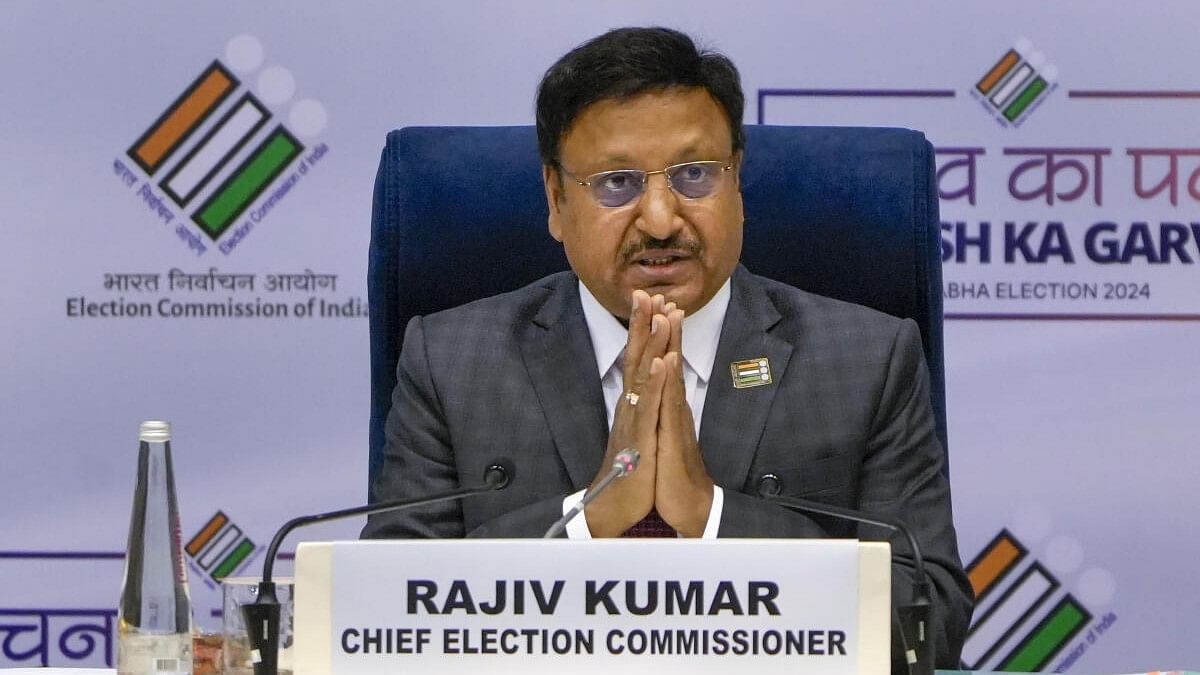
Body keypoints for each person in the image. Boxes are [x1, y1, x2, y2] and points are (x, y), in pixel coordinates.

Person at [363, 26, 971, 667]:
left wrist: (712, 517)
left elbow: (927, 623)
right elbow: (381, 613)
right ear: (555, 200)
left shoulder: (866, 360)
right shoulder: (453, 361)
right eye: (616, 182)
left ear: (738, 187)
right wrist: (588, 523)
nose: (659, 218)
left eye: (694, 175)